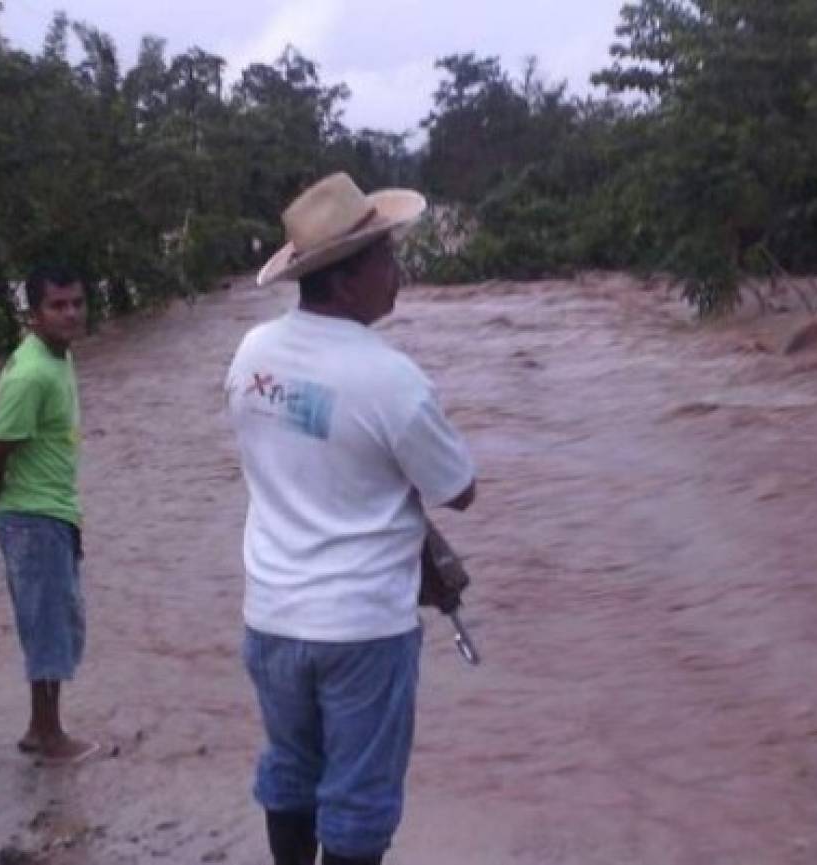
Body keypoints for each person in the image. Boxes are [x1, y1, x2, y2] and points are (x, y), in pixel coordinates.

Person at [225, 172, 477, 865]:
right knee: (360, 800)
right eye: (386, 258)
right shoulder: (391, 377)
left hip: (272, 614)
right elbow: (459, 488)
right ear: (344, 279)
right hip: (363, 624)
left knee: (291, 770)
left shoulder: (252, 355)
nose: (398, 273)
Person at [0, 264, 97, 764]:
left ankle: (39, 728)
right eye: (57, 306)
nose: (70, 314)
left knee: (56, 621)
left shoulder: (56, 357)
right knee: (49, 627)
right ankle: (49, 735)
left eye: (77, 303)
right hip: (35, 519)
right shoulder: (33, 372)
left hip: (49, 512)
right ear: (34, 314)